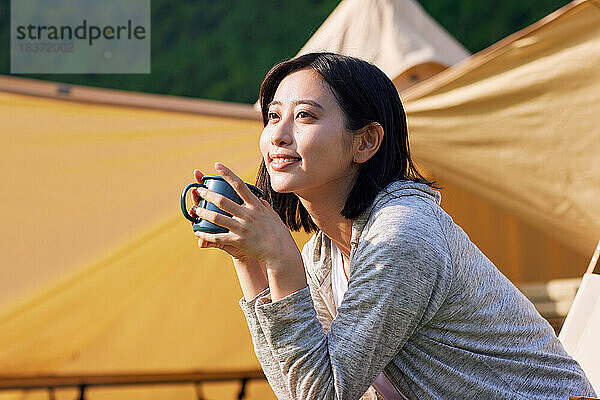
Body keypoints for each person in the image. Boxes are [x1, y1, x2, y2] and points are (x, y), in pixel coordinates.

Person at [189, 52, 596, 399]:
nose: (277, 135)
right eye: (273, 116)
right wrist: (249, 260)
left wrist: (280, 260)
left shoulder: (401, 234)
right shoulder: (324, 253)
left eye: (305, 117)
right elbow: (299, 385)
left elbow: (326, 394)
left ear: (365, 142)